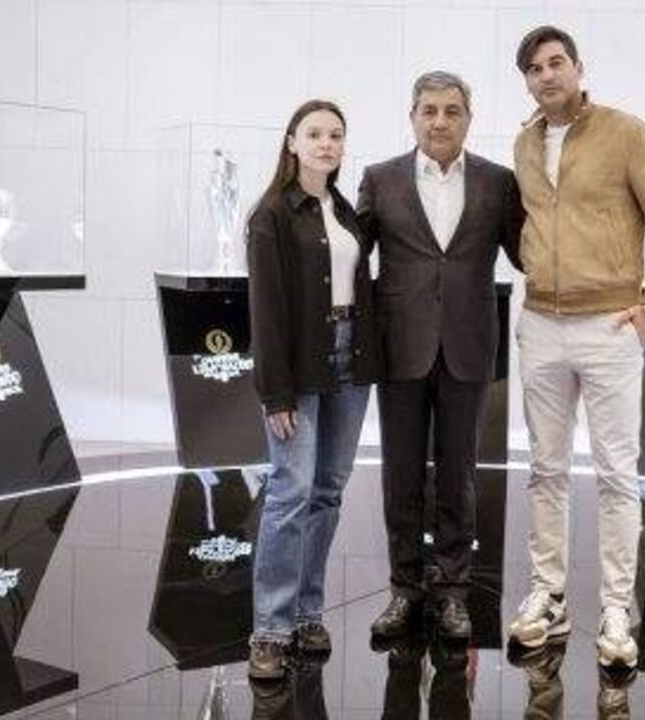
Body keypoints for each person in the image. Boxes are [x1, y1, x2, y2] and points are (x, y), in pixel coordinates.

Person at [506, 25, 645, 667]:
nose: (546, 75)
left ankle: (615, 608)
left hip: (610, 324)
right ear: (527, 81)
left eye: (556, 63)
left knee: (615, 473)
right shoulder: (525, 143)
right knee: (545, 470)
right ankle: (548, 595)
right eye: (534, 69)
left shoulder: (626, 132)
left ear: (579, 68)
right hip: (540, 323)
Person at [357, 71, 523, 643]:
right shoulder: (380, 179)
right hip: (398, 348)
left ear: (468, 119)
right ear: (412, 117)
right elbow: (350, 256)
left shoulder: (499, 182)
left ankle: (453, 591)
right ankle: (404, 589)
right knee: (400, 476)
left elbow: (529, 254)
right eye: (428, 110)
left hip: (468, 346)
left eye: (452, 111)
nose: (439, 121)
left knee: (459, 476)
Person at [246, 99, 378, 679]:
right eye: (315, 134)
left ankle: (306, 613)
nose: (326, 144)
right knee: (289, 491)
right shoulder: (272, 214)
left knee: (327, 490)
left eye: (336, 135)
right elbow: (266, 310)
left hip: (350, 360)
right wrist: (274, 393)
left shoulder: (344, 210)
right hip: (298, 368)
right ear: (292, 142)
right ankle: (270, 629)